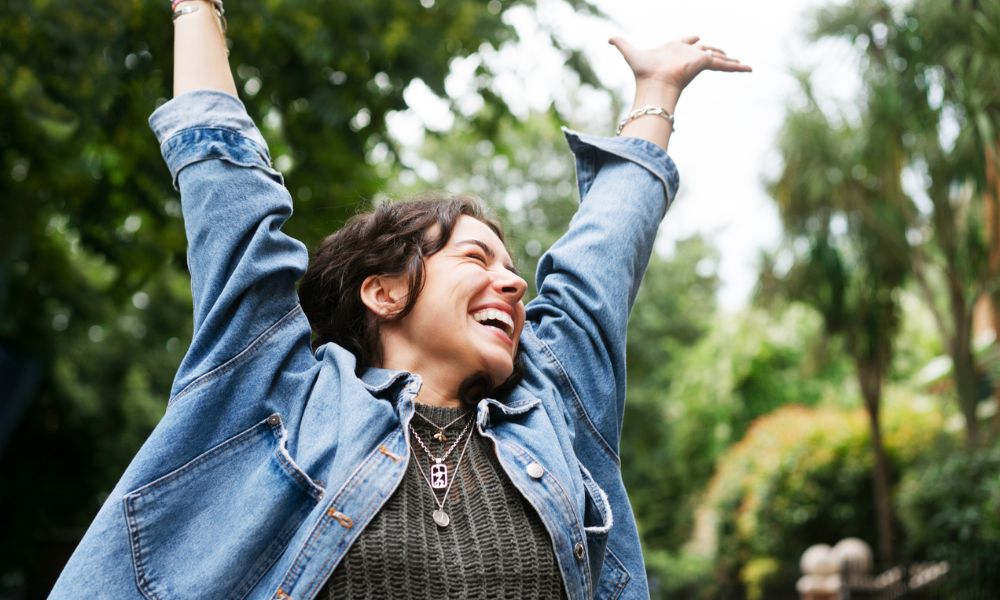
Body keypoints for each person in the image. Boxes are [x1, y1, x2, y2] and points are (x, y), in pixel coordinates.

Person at [50, 1, 750, 598]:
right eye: (475, 257)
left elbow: (601, 257)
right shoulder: (283, 398)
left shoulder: (554, 404)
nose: (513, 283)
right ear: (382, 292)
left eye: (512, 269)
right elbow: (227, 193)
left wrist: (655, 94)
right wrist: (195, 8)